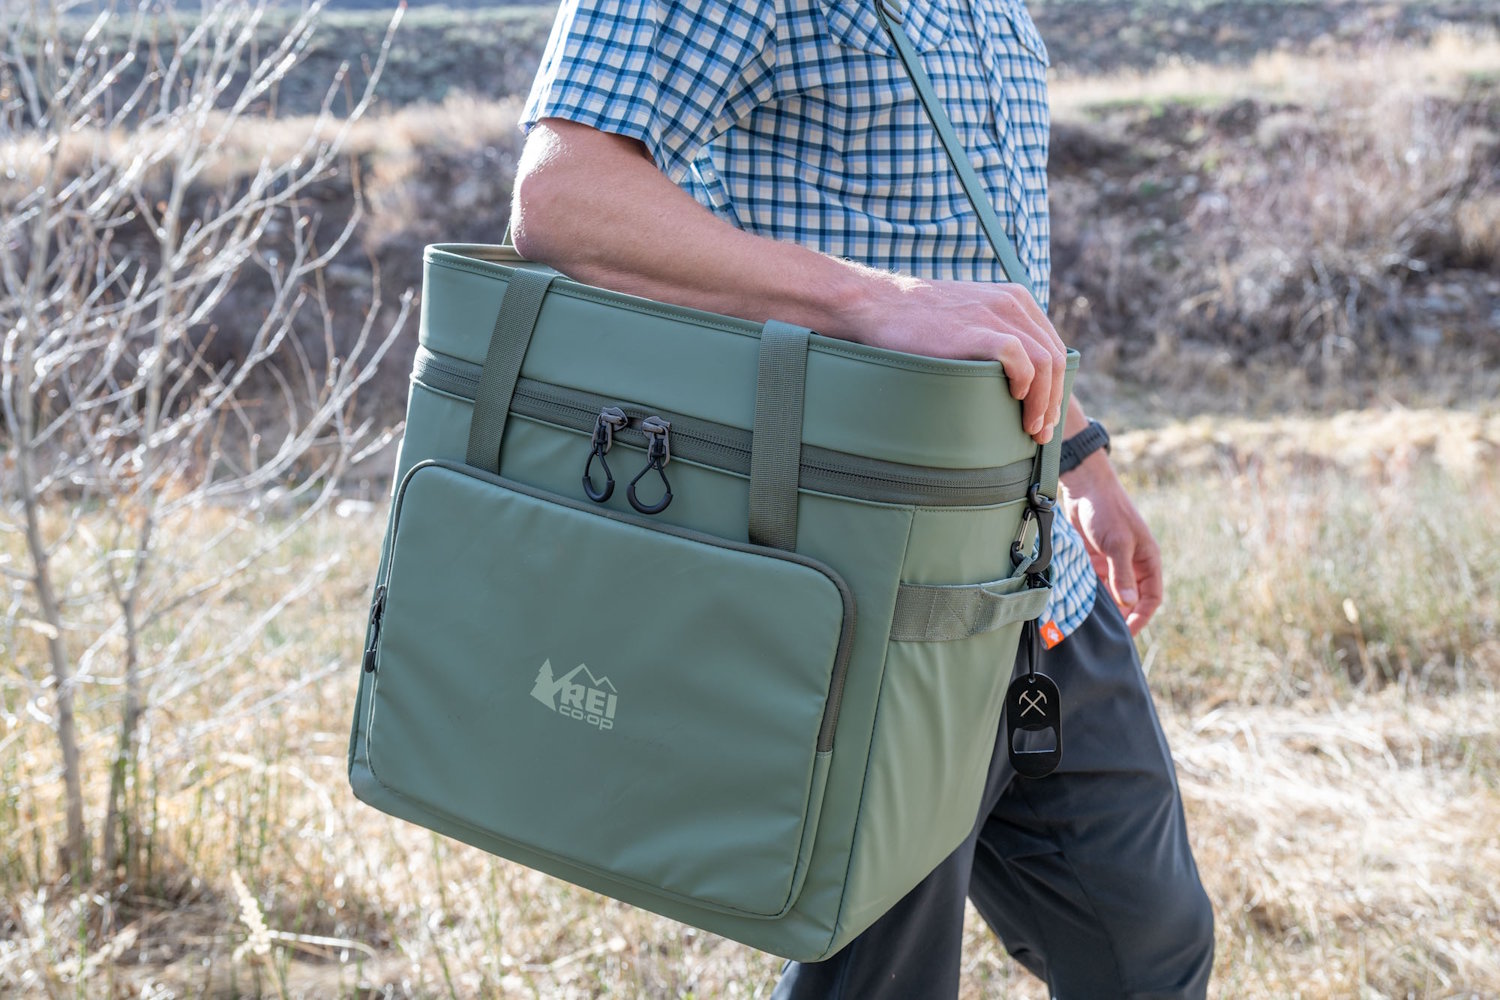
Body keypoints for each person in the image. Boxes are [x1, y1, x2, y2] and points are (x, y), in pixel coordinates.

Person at [509, 0, 1216, 995]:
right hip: (874, 592)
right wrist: (871, 299)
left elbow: (975, 263)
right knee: (880, 979)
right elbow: (563, 197)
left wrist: (1080, 453)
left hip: (1037, 573)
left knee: (1150, 948)